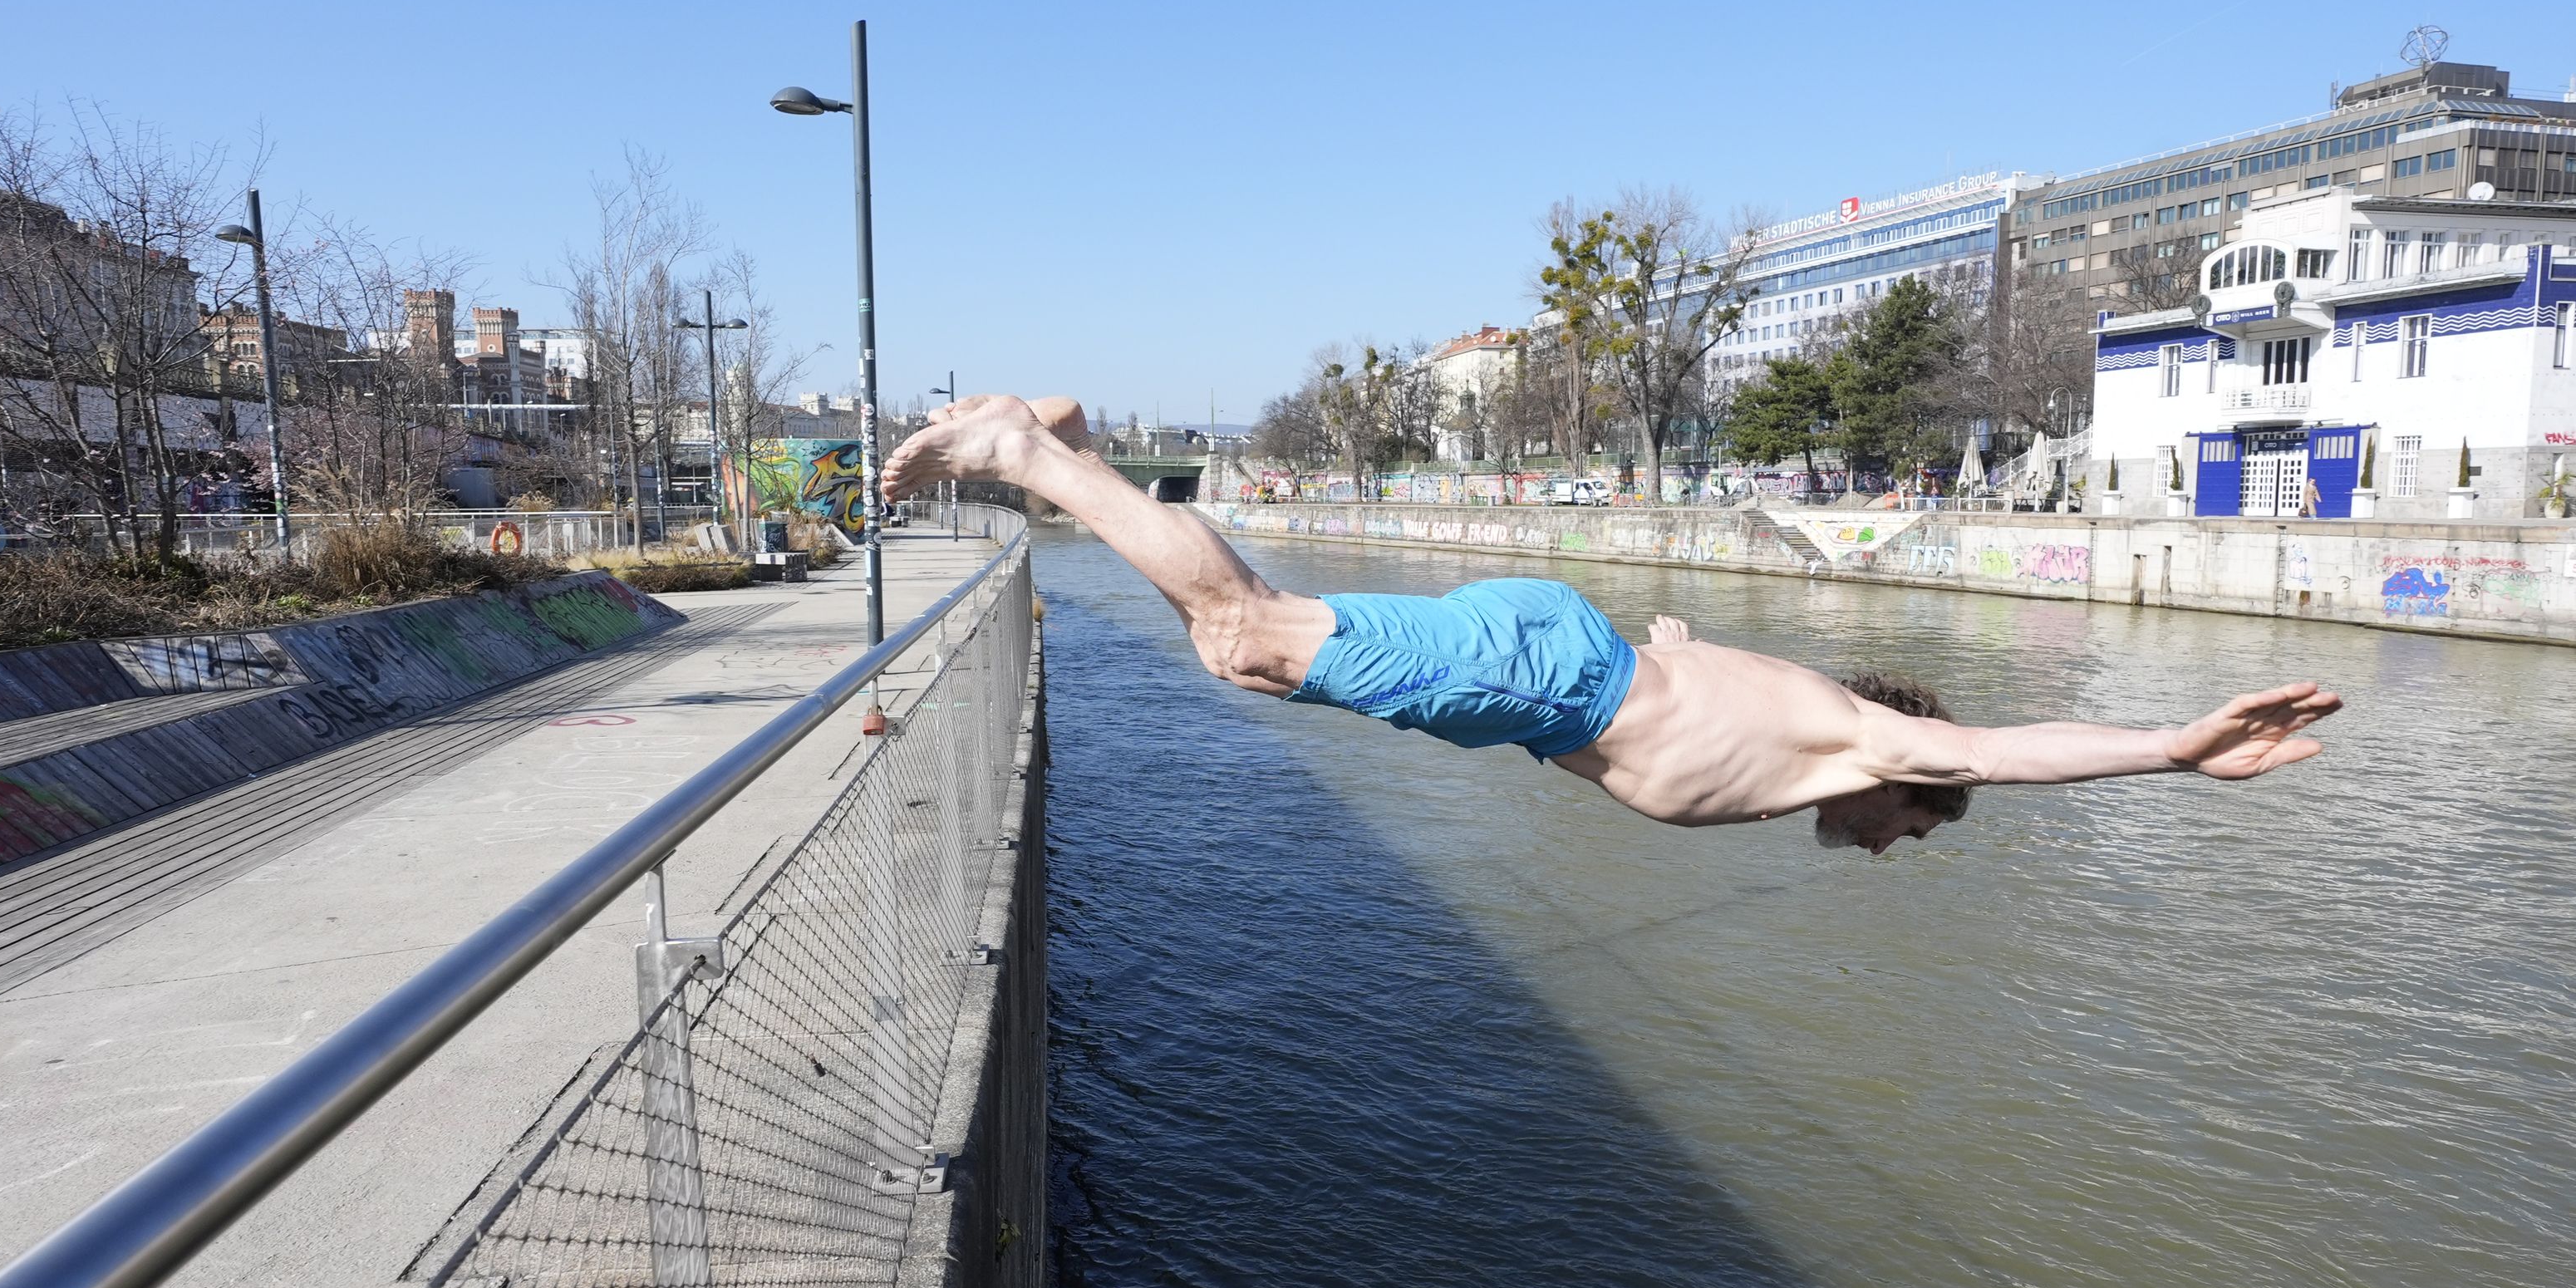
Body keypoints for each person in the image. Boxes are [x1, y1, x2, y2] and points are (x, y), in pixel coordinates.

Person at [885, 396, 2341, 855]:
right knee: (1250, 632)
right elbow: (2010, 752)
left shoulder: (1800, 712)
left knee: (1247, 659)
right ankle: (1036, 453)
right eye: (1915, 828)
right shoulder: (1866, 740)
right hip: (1549, 681)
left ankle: (1070, 449)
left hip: (1560, 662)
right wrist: (2169, 746)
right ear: (1916, 780)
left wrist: (1665, 639)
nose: (1893, 848)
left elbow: (1687, 657)